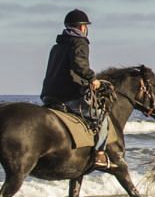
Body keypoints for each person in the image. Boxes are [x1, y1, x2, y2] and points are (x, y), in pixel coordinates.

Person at [40, 9, 113, 169]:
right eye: (86, 26)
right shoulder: (79, 42)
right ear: (82, 28)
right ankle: (99, 155)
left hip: (48, 95)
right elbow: (80, 65)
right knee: (102, 117)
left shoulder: (57, 46)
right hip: (69, 95)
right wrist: (93, 79)